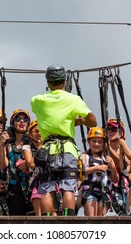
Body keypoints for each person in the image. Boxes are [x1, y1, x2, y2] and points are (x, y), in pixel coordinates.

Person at [31, 64, 97, 216]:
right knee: (68, 186)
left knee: (47, 186)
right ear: (64, 81)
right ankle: (69, 219)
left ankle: (47, 220)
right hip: (68, 148)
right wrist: (79, 121)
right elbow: (93, 122)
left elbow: (52, 117)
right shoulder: (73, 99)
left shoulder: (37, 100)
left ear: (48, 82)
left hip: (48, 149)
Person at [0, 109, 32, 215]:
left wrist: (27, 163)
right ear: (13, 123)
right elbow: (3, 165)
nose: (22, 121)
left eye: (25, 119)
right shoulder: (8, 145)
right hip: (15, 190)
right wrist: (1, 144)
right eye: (18, 119)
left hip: (32, 189)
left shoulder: (32, 142)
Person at [80, 127, 119, 216]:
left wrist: (112, 167)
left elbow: (115, 180)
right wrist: (97, 168)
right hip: (89, 190)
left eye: (100, 142)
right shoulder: (85, 156)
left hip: (104, 192)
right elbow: (81, 172)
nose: (97, 144)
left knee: (101, 221)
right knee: (92, 219)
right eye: (94, 141)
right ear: (89, 142)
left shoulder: (107, 159)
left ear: (103, 144)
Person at [106, 118, 131, 215]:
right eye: (107, 129)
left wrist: (109, 148)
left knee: (123, 214)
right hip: (105, 186)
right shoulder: (100, 149)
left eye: (113, 129)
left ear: (120, 132)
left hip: (120, 189)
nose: (109, 132)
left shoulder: (124, 151)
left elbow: (124, 165)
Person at [23, 119, 43, 216]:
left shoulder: (49, 146)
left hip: (48, 181)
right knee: (38, 215)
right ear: (30, 134)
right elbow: (31, 164)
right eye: (36, 131)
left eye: (41, 131)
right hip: (35, 183)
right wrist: (40, 147)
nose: (39, 134)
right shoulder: (27, 147)